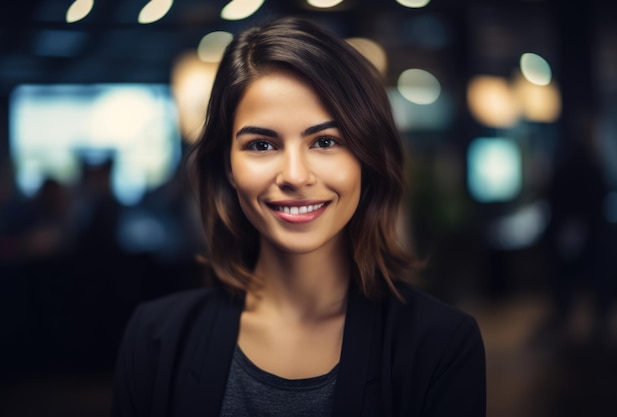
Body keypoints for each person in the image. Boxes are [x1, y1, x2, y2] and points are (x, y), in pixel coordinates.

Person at [110, 16, 486, 417]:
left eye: (325, 141)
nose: (294, 175)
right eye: (260, 145)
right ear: (227, 168)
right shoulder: (155, 339)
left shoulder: (441, 345)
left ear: (367, 158)